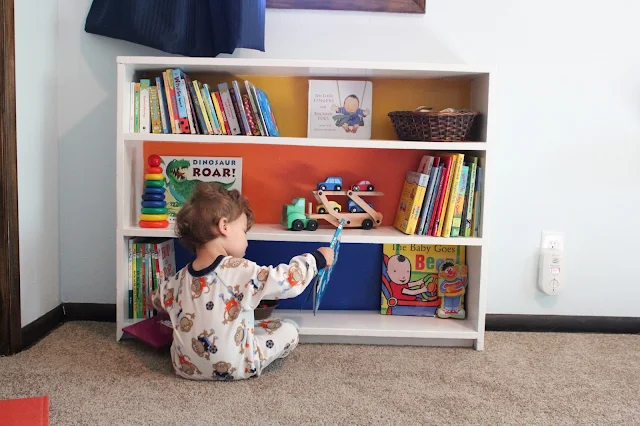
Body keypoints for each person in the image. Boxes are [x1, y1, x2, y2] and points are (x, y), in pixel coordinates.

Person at [149, 182, 334, 381]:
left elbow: (156, 299)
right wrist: (316, 259)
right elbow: (286, 281)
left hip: (184, 367)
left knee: (258, 324)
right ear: (224, 226)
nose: (246, 240)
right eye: (244, 231)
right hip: (238, 365)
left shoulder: (180, 278)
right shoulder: (238, 270)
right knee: (289, 329)